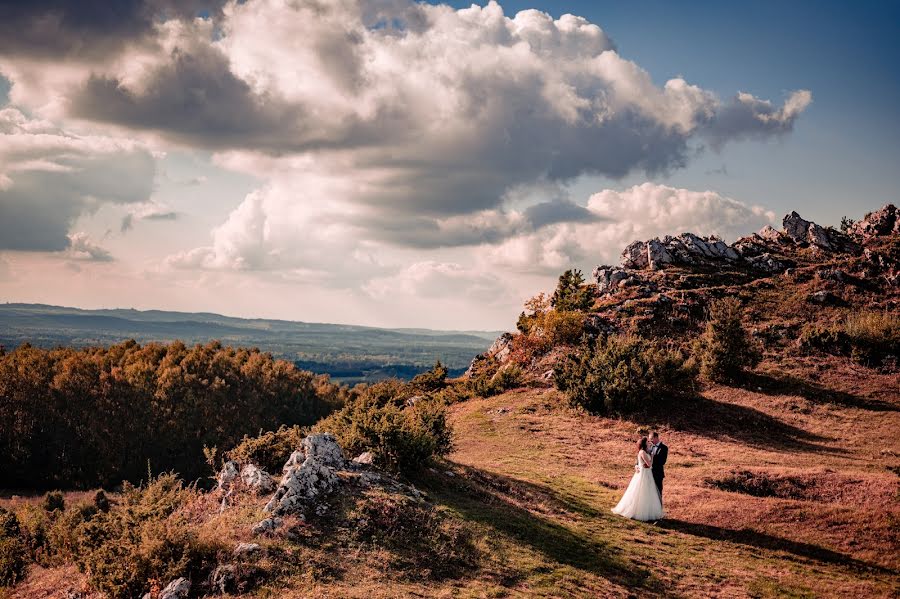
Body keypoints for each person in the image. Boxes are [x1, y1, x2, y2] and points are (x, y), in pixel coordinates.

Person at [611, 436, 664, 521]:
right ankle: (637, 511)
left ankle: (648, 511)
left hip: (647, 473)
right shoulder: (642, 452)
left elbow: (649, 464)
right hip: (643, 474)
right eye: (647, 441)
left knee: (648, 492)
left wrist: (651, 455)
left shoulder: (646, 451)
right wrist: (652, 456)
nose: (649, 442)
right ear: (644, 443)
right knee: (640, 491)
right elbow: (650, 464)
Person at [649, 431, 668, 501]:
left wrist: (653, 457)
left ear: (656, 438)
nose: (650, 440)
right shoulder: (649, 447)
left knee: (658, 491)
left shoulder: (664, 448)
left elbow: (663, 461)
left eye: (651, 439)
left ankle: (659, 508)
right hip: (648, 473)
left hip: (658, 473)